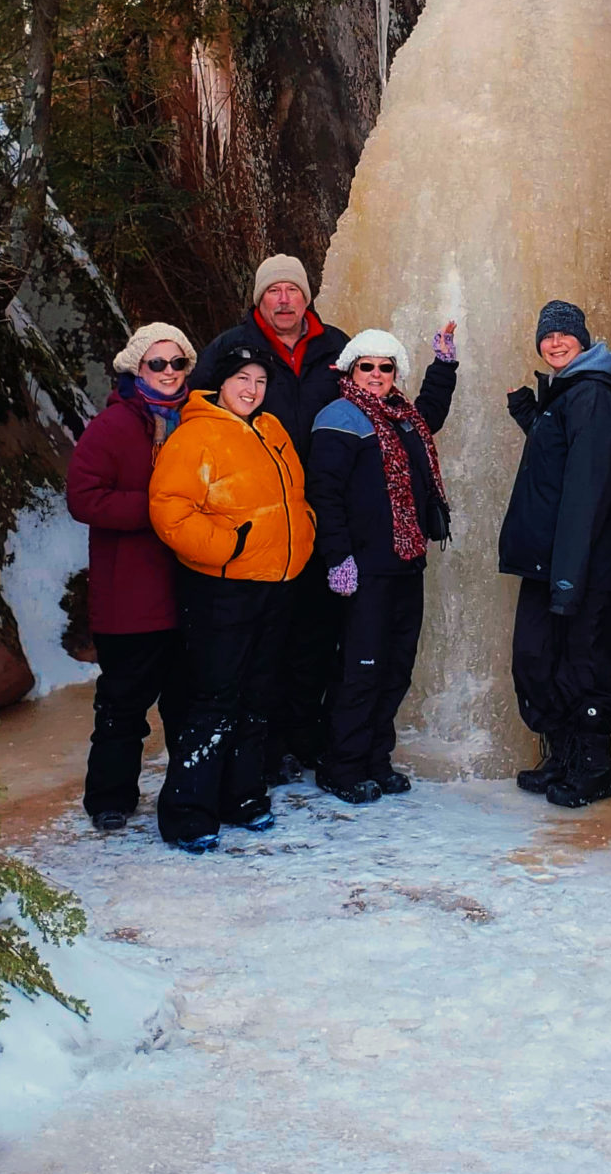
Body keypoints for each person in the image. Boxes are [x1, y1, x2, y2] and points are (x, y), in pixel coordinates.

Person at [147, 343, 316, 851]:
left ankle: (242, 795)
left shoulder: (272, 429)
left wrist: (303, 534)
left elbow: (295, 498)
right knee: (215, 699)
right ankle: (188, 812)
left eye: (260, 381)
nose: (251, 389)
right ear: (221, 382)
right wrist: (229, 548)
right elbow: (169, 510)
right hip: (222, 588)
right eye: (243, 378)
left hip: (276, 584)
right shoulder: (195, 434)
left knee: (258, 695)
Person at [198, 254, 351, 782]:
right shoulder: (231, 348)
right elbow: (198, 413)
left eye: (293, 289)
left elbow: (375, 405)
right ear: (258, 299)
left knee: (317, 633)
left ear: (307, 297)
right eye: (273, 291)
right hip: (259, 522)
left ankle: (307, 737)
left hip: (322, 515)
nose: (283, 299)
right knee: (269, 640)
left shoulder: (337, 348)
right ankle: (266, 746)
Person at [307, 323, 457, 803]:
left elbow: (430, 414)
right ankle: (341, 764)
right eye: (366, 366)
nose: (375, 374)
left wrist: (444, 365)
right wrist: (338, 558)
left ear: (396, 373)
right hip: (365, 570)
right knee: (361, 669)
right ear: (352, 369)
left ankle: (375, 758)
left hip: (405, 563)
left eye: (385, 367)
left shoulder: (402, 416)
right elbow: (324, 494)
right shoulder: (339, 416)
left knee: (395, 667)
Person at [498, 300, 611, 810]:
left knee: (584, 662)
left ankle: (593, 767)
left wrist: (569, 576)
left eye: (564, 336)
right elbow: (559, 459)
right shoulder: (568, 393)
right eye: (547, 337)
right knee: (538, 658)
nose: (555, 344)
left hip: (581, 564)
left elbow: (587, 487)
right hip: (550, 560)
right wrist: (529, 415)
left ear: (582, 339)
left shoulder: (593, 395)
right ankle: (563, 753)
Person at [63, 323, 195, 832]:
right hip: (131, 597)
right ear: (135, 369)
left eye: (176, 362)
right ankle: (110, 799)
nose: (167, 372)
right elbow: (83, 497)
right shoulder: (114, 426)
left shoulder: (197, 420)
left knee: (188, 703)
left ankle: (188, 795)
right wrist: (156, 510)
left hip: (187, 589)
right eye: (156, 364)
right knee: (123, 706)